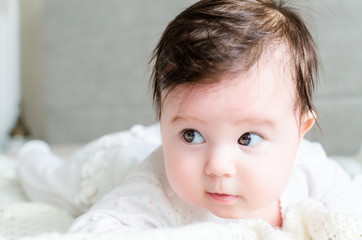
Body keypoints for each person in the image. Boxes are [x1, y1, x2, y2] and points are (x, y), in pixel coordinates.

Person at [18, 0, 362, 234]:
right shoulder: (153, 192)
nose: (218, 166)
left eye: (248, 138)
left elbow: (349, 205)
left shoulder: (309, 168)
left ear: (299, 132)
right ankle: (26, 153)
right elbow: (93, 232)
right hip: (111, 160)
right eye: (191, 135)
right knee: (45, 178)